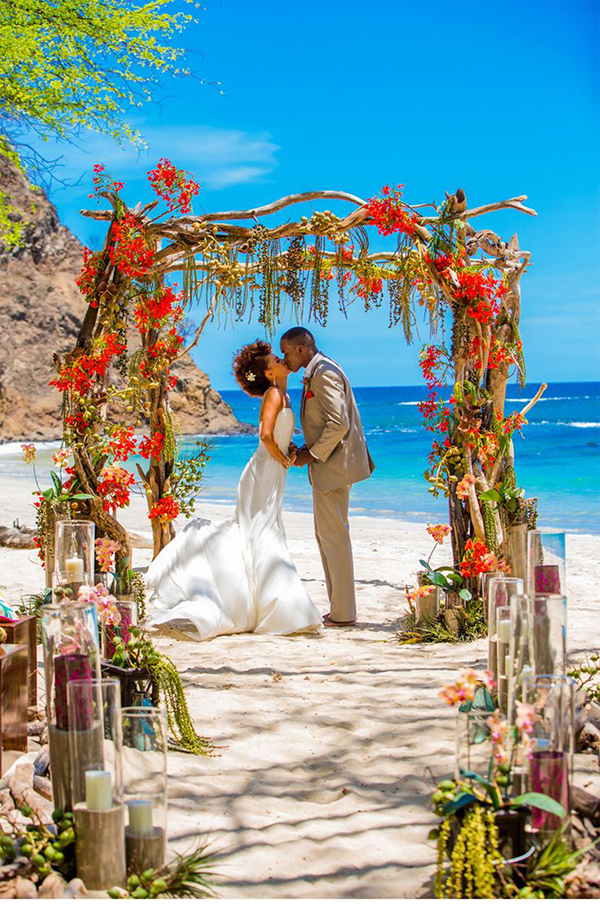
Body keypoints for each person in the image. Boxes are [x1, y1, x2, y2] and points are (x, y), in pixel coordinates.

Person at [145, 339, 322, 641]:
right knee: (263, 533)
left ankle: (260, 603)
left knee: (265, 532)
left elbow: (278, 436)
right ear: (268, 373)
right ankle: (274, 605)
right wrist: (282, 458)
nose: (281, 359)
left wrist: (289, 450)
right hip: (261, 473)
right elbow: (266, 436)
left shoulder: (284, 396)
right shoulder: (274, 395)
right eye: (275, 359)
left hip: (272, 473)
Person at [280, 327, 374, 627]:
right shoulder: (320, 369)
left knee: (334, 538)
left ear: (300, 348)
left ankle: (344, 613)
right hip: (329, 465)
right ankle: (339, 608)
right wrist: (308, 447)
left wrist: (311, 455)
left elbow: (338, 424)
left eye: (286, 352)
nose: (285, 358)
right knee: (327, 537)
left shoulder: (323, 373)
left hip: (333, 467)